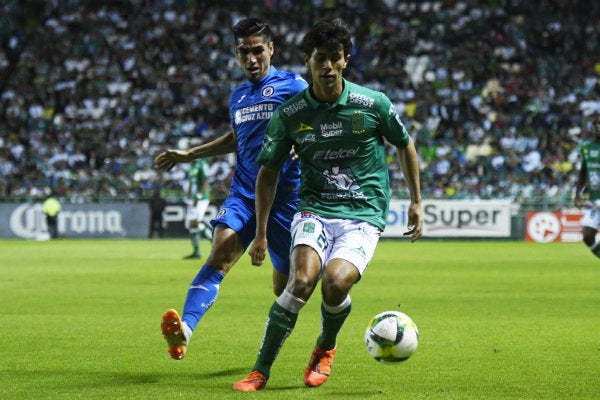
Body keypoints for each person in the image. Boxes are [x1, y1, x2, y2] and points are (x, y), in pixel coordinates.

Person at [233, 18, 423, 391]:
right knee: (300, 281)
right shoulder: (290, 114)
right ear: (308, 60)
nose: (327, 66)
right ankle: (260, 371)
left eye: (335, 58)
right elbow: (267, 173)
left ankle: (325, 346)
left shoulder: (373, 104)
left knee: (335, 284)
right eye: (320, 58)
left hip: (362, 214)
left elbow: (405, 144)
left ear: (345, 60)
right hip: (314, 209)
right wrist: (260, 234)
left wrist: (416, 201)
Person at [153, 17, 308, 360]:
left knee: (285, 287)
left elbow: (316, 124)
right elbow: (237, 139)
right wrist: (190, 154)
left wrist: (303, 141)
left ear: (271, 49)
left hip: (285, 200)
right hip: (243, 193)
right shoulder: (238, 95)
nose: (251, 59)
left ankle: (276, 342)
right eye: (243, 53)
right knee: (220, 251)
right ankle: (185, 330)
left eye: (257, 51)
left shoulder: (294, 87)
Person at [574, 115, 600, 259]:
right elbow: (583, 171)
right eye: (595, 125)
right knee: (587, 236)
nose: (597, 127)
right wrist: (578, 192)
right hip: (594, 199)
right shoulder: (586, 148)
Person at [184, 159, 213, 259]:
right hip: (192, 198)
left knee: (195, 223)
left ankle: (215, 242)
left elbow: (206, 181)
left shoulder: (202, 164)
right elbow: (191, 182)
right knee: (191, 226)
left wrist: (199, 196)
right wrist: (188, 195)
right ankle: (196, 252)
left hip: (202, 198)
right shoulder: (191, 165)